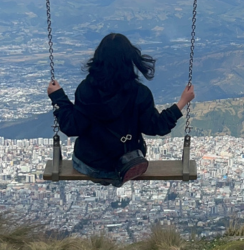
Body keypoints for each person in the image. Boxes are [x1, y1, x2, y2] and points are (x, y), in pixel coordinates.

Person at [46, 33, 195, 187]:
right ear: (129, 60)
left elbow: (72, 127)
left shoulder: (86, 90)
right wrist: (182, 102)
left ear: (98, 59)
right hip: (128, 164)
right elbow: (156, 127)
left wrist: (58, 97)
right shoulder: (140, 93)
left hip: (90, 165)